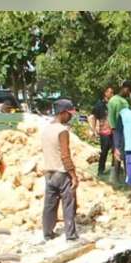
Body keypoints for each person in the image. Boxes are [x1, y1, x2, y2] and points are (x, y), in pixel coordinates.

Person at [40, 99, 79, 242]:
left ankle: (47, 233)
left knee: (49, 205)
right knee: (68, 204)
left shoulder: (46, 129)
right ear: (62, 113)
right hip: (61, 173)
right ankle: (71, 235)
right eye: (69, 114)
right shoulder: (62, 131)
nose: (71, 117)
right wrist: (73, 175)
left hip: (48, 173)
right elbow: (65, 155)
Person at [107, 80, 131, 182]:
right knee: (117, 153)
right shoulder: (113, 100)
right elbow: (111, 116)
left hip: (127, 131)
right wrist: (114, 130)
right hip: (117, 131)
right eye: (129, 90)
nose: (129, 92)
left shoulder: (126, 101)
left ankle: (128, 176)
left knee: (127, 154)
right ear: (124, 88)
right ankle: (115, 177)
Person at [89, 86, 114, 175]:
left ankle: (114, 171)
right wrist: (93, 130)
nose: (111, 94)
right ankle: (100, 170)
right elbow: (93, 117)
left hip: (114, 132)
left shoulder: (114, 104)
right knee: (104, 151)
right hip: (104, 132)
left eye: (112, 92)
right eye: (109, 92)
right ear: (105, 93)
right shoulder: (99, 105)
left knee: (115, 151)